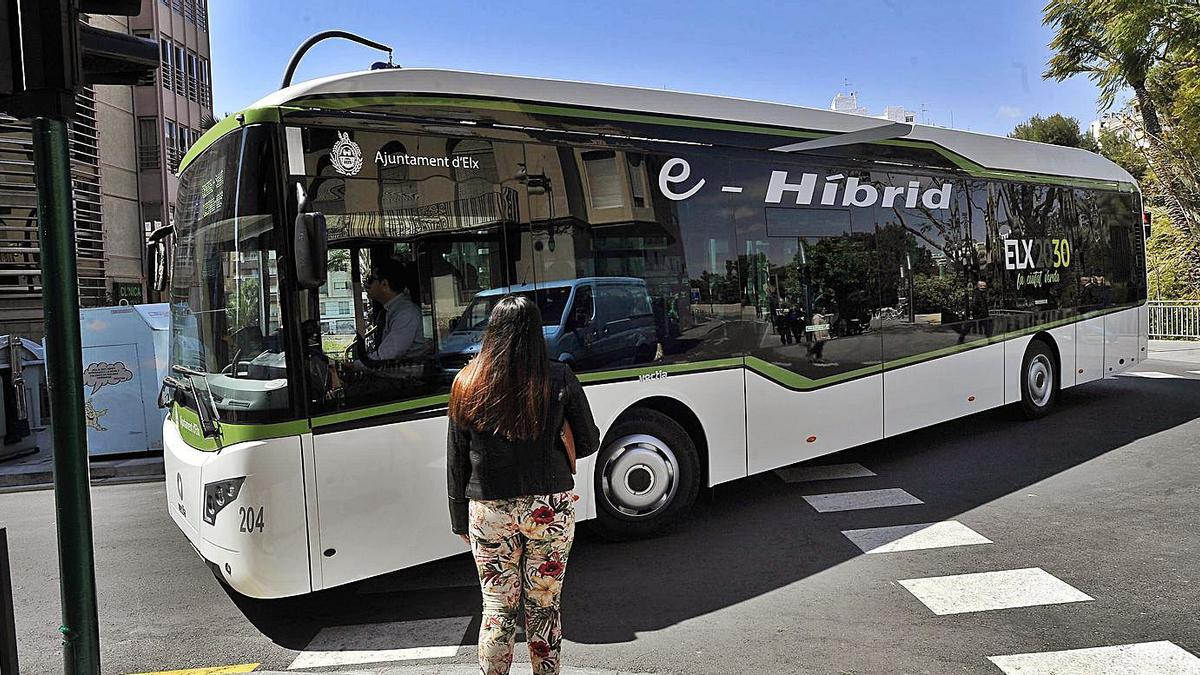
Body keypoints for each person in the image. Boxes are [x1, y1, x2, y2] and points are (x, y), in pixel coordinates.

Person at [447, 295, 600, 675]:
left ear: (492, 331)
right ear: (535, 332)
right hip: (548, 508)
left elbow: (457, 460)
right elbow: (588, 441)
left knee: (497, 608)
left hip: (488, 510)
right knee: (543, 606)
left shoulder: (466, 382)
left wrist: (457, 518)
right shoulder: (558, 377)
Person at [356, 257, 428, 363]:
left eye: (371, 280)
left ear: (385, 284)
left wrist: (356, 365)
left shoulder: (406, 313)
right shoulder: (391, 310)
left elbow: (387, 356)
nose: (367, 285)